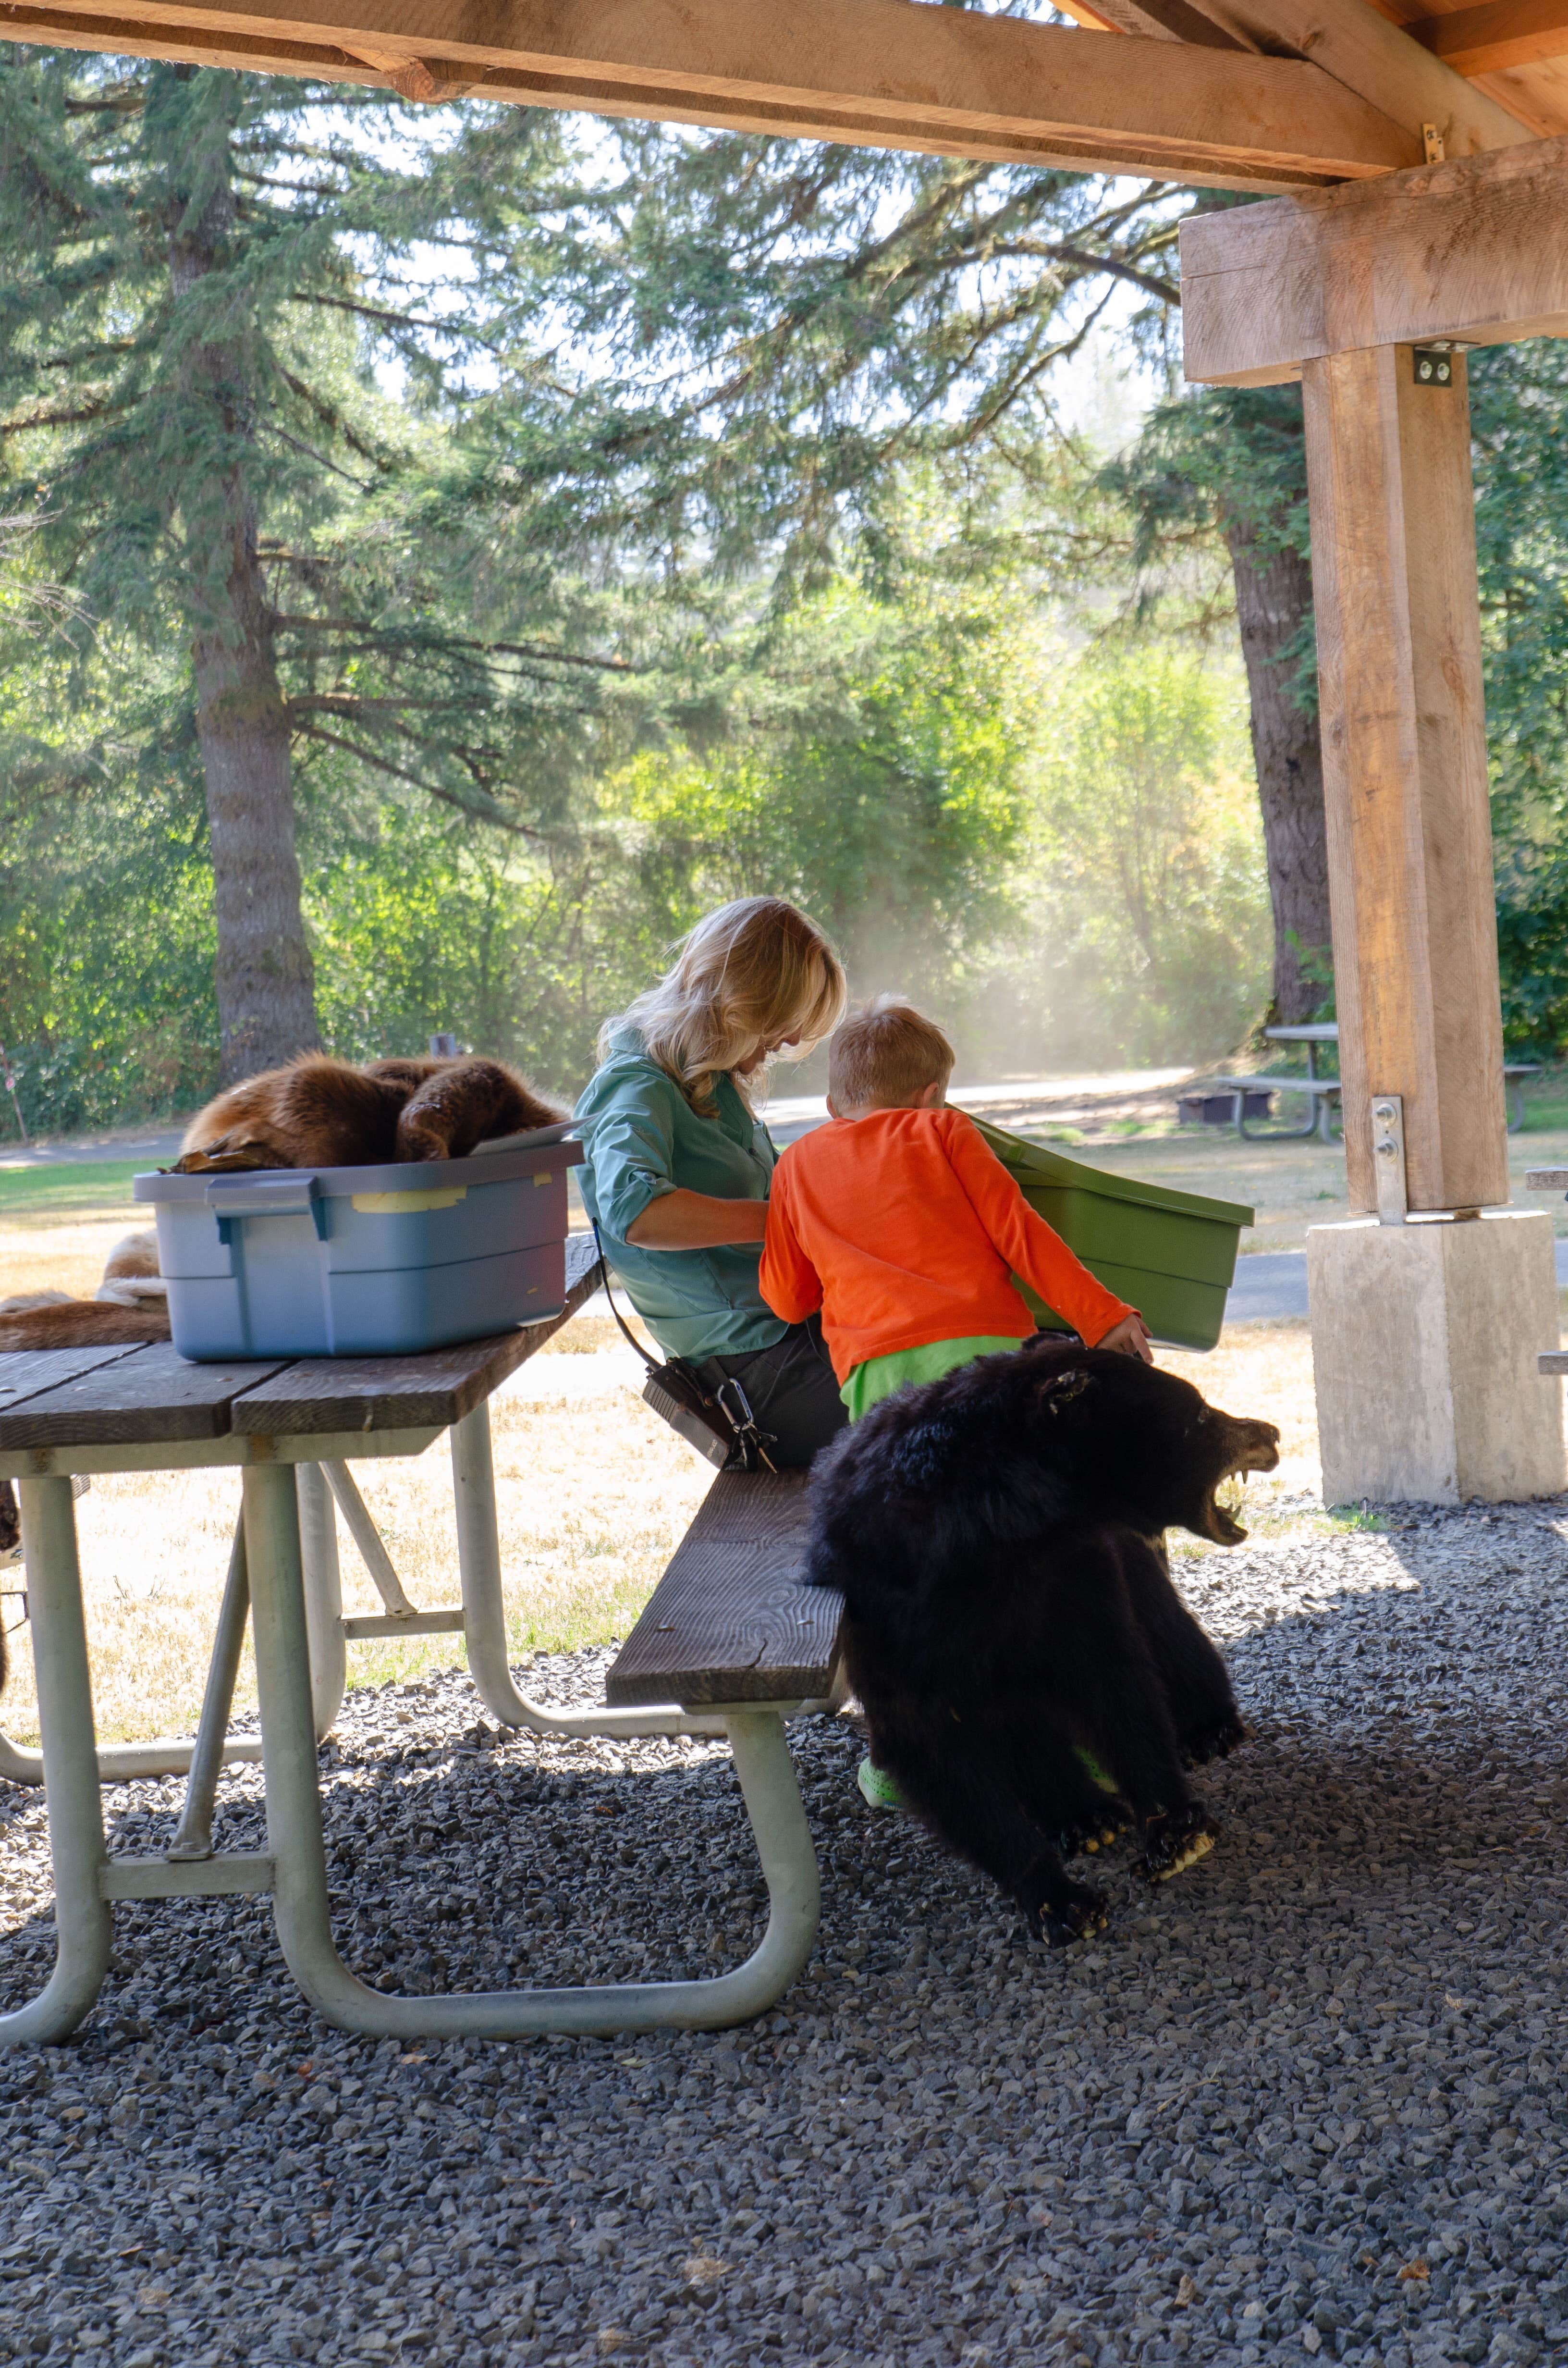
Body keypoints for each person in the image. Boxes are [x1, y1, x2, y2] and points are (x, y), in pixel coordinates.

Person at [758, 997, 1151, 1813]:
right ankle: (1098, 1752)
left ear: (834, 1104)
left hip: (878, 1387)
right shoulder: (945, 1135)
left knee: (911, 1573)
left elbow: (786, 1294)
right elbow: (1020, 1232)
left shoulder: (795, 1165)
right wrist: (1101, 1316)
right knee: (1036, 1557)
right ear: (934, 1092)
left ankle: (899, 1765)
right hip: (984, 1367)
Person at [574, 897, 849, 1468]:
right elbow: (636, 1211)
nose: (771, 1054)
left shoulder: (708, 1083)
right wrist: (784, 1223)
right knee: (974, 1414)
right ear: (737, 1006)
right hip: (758, 1365)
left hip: (791, 1333)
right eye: (775, 1034)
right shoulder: (636, 1084)